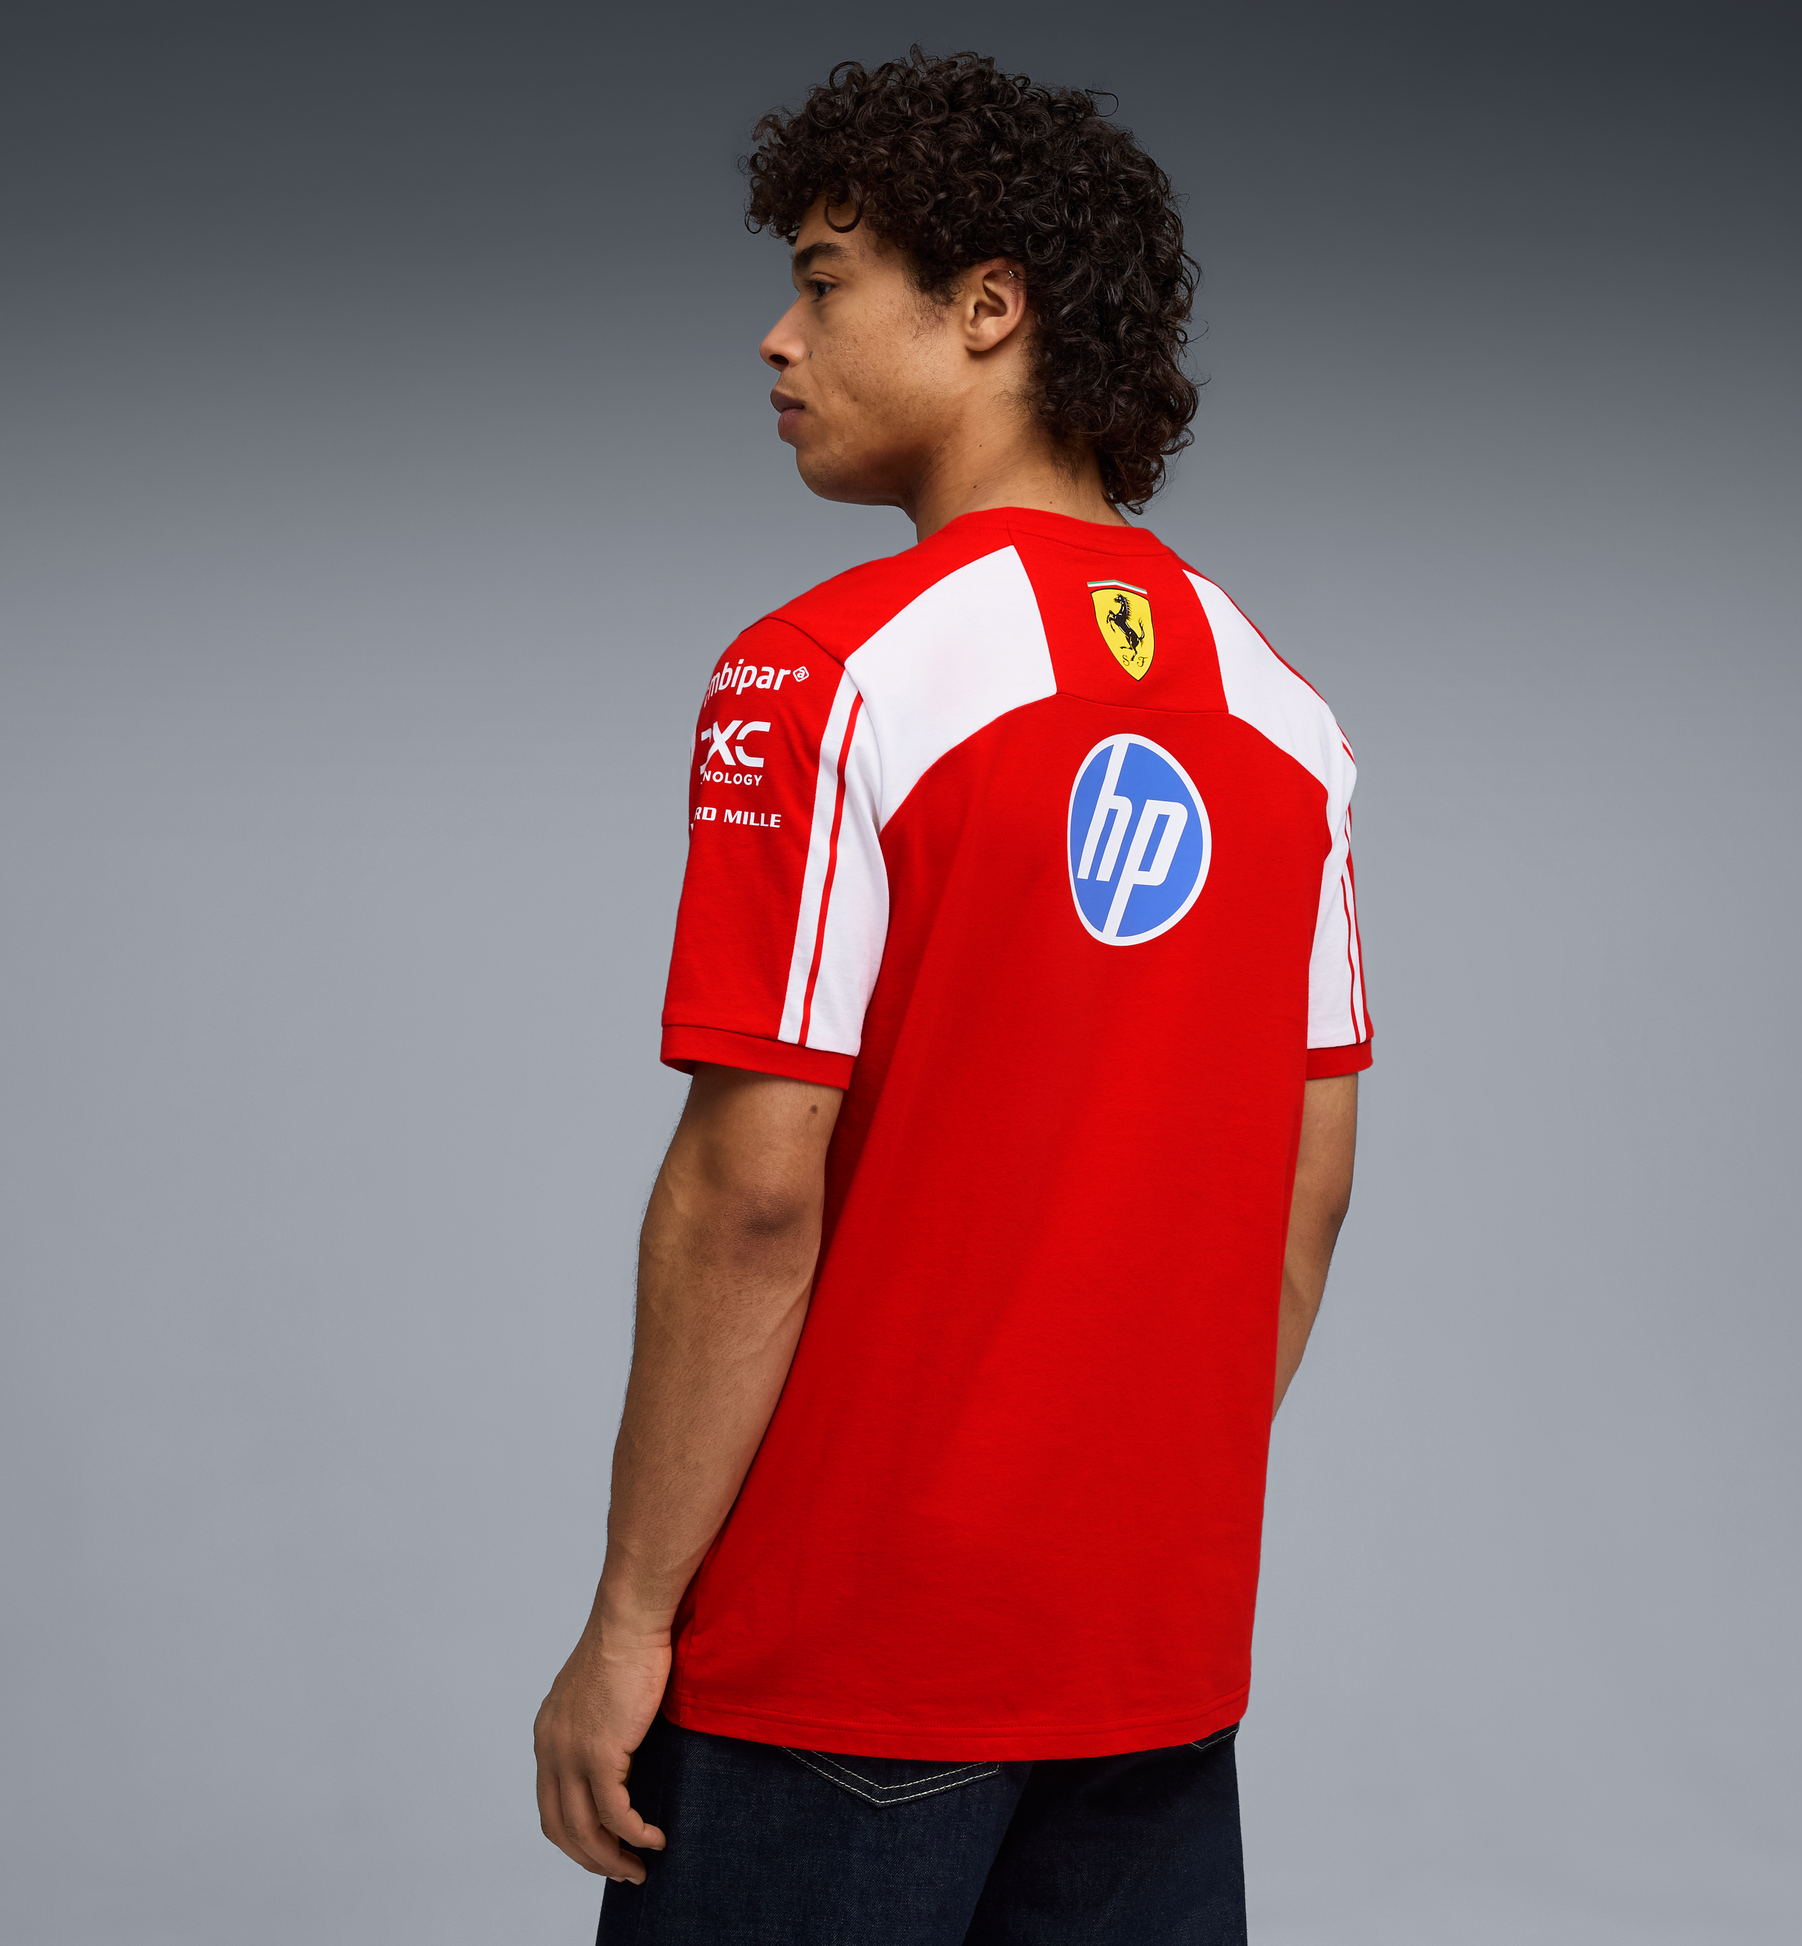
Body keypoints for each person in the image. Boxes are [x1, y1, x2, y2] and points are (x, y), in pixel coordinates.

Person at [534, 47, 1370, 1945]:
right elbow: (1304, 1193)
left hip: (843, 1662)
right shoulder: (1285, 715)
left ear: (987, 307)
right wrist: (1103, 1514)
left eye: (824, 281)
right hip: (1147, 1662)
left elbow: (749, 1196)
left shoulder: (825, 672)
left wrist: (628, 1620)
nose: (776, 337)